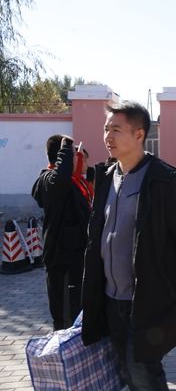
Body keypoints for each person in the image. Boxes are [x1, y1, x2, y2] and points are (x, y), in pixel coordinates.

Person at [81, 102, 176, 390]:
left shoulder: (163, 179)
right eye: (106, 129)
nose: (108, 137)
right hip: (110, 298)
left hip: (145, 300)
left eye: (116, 130)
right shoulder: (107, 176)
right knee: (125, 371)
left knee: (143, 371)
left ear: (139, 134)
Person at [32, 135, 91, 330]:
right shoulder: (48, 180)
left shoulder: (73, 182)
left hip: (76, 257)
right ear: (61, 157)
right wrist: (66, 148)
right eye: (73, 155)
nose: (76, 158)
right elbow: (60, 179)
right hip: (61, 259)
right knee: (66, 319)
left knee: (77, 312)